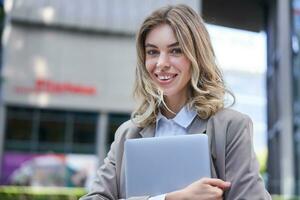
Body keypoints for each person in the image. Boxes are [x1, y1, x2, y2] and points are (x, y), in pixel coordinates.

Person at [80, 4, 272, 200]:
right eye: (153, 52)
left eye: (176, 51)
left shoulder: (230, 128)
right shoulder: (128, 134)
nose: (161, 63)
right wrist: (170, 198)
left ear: (197, 56)